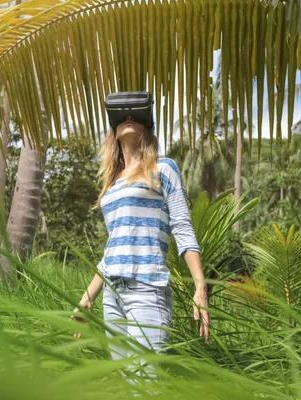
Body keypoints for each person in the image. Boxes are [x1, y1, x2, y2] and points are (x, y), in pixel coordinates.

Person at [72, 91, 210, 382]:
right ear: (114, 132)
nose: (129, 119)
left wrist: (200, 287)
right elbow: (113, 250)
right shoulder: (112, 185)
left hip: (147, 290)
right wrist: (87, 298)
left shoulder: (163, 169)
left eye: (135, 116)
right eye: (123, 118)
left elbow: (183, 227)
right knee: (127, 383)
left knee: (145, 385)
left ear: (146, 127)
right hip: (113, 295)